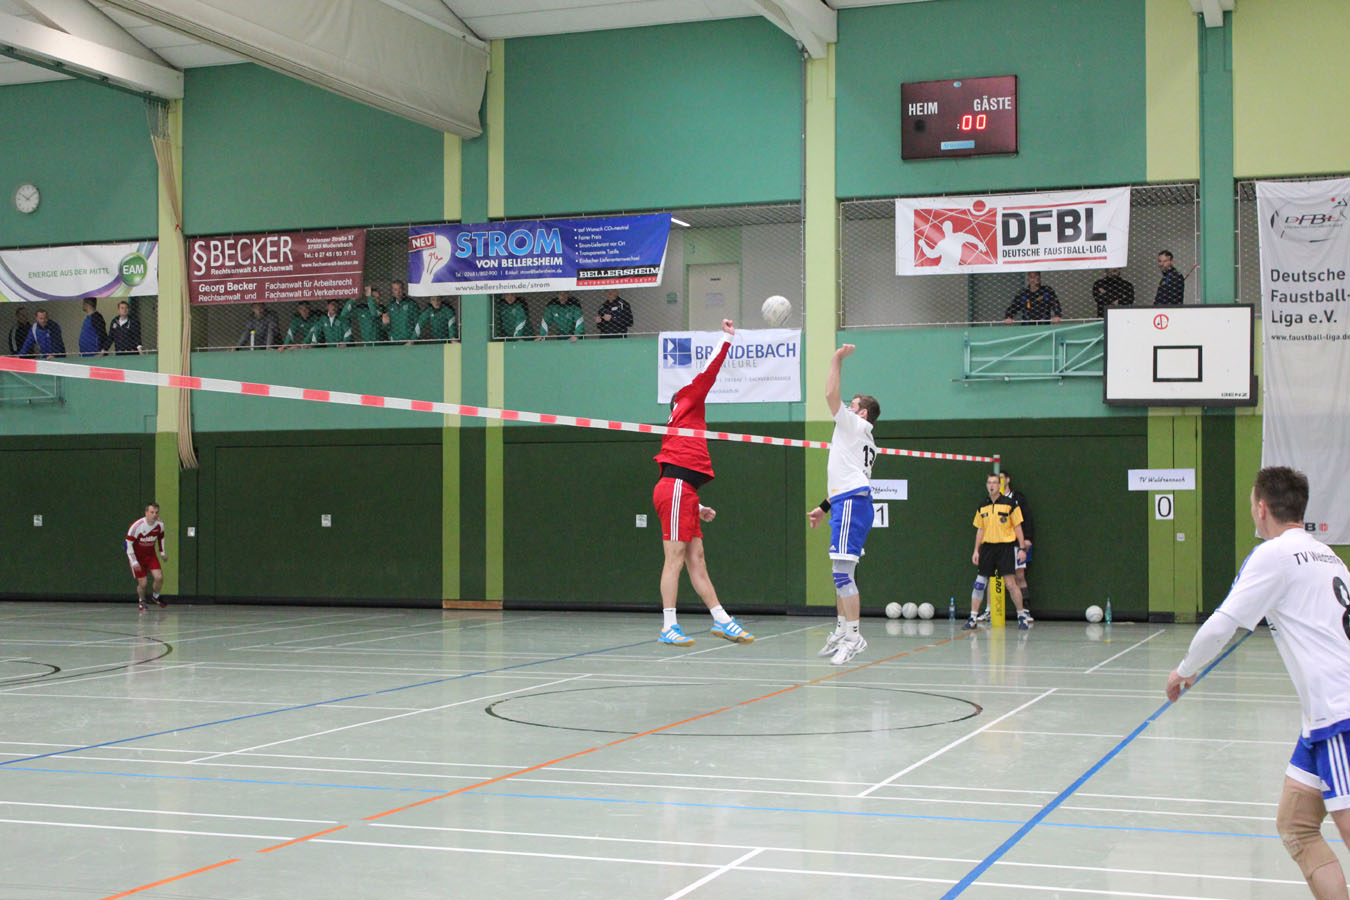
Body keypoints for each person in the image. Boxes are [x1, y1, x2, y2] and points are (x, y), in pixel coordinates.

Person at [1166, 467, 1350, 900]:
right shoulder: (1328, 555)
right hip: (1319, 720)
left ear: (1262, 508)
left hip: (1339, 714)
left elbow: (1221, 625)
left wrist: (1185, 670)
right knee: (1296, 827)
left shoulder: (1273, 555)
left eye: (1252, 503)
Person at [653, 318, 754, 647]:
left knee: (696, 559)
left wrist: (696, 505)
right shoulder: (689, 396)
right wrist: (726, 339)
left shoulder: (680, 421)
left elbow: (676, 474)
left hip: (683, 491)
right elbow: (710, 371)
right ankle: (669, 626)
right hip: (676, 489)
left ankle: (722, 620)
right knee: (675, 559)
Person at [807, 345, 881, 665]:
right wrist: (824, 507)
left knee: (842, 575)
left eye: (852, 405)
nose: (846, 407)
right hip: (846, 501)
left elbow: (829, 394)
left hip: (852, 503)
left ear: (861, 413)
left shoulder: (853, 424)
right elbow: (847, 475)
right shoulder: (860, 436)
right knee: (840, 571)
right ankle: (841, 629)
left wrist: (836, 359)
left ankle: (853, 637)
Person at [968, 472, 1032, 630]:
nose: (991, 485)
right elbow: (980, 530)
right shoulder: (982, 505)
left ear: (999, 485)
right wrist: (976, 550)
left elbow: (1018, 527)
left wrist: (1022, 548)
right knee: (980, 583)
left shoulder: (1010, 504)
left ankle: (1021, 616)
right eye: (989, 482)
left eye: (994, 483)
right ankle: (973, 618)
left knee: (1010, 583)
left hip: (1005, 548)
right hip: (987, 548)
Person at [125, 502, 168, 613]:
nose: (154, 515)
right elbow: (128, 543)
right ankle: (142, 600)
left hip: (151, 555)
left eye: (156, 513)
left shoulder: (160, 525)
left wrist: (162, 552)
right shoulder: (137, 526)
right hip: (138, 557)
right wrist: (133, 561)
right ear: (146, 513)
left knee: (159, 577)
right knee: (143, 583)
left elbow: (161, 538)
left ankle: (155, 597)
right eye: (152, 512)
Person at [386, 280, 419, 344]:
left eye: (400, 289)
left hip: (409, 342)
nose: (398, 292)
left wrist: (412, 340)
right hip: (395, 342)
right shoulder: (389, 306)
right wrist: (391, 337)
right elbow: (387, 327)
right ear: (392, 291)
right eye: (395, 290)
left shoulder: (411, 304)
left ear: (403, 290)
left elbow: (418, 324)